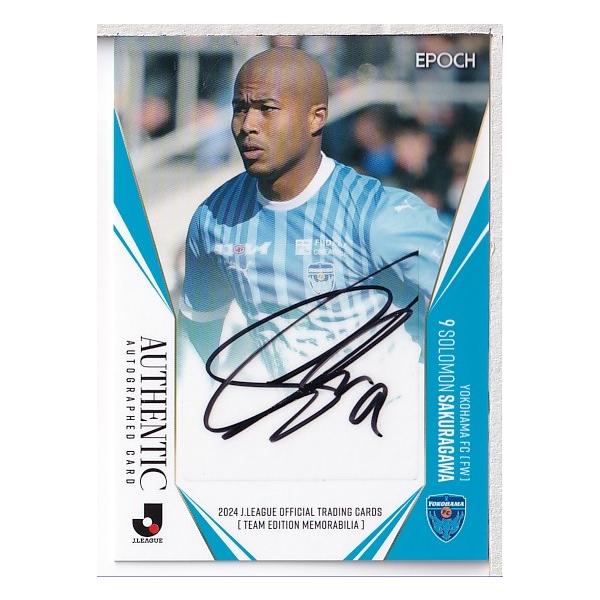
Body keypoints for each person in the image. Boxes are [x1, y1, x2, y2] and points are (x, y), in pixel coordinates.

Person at [180, 47, 448, 380]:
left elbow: (470, 304)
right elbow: (201, 333)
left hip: (385, 407)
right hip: (288, 410)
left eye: (267, 109)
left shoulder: (379, 215)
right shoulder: (213, 219)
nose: (248, 125)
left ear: (316, 117)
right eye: (240, 109)